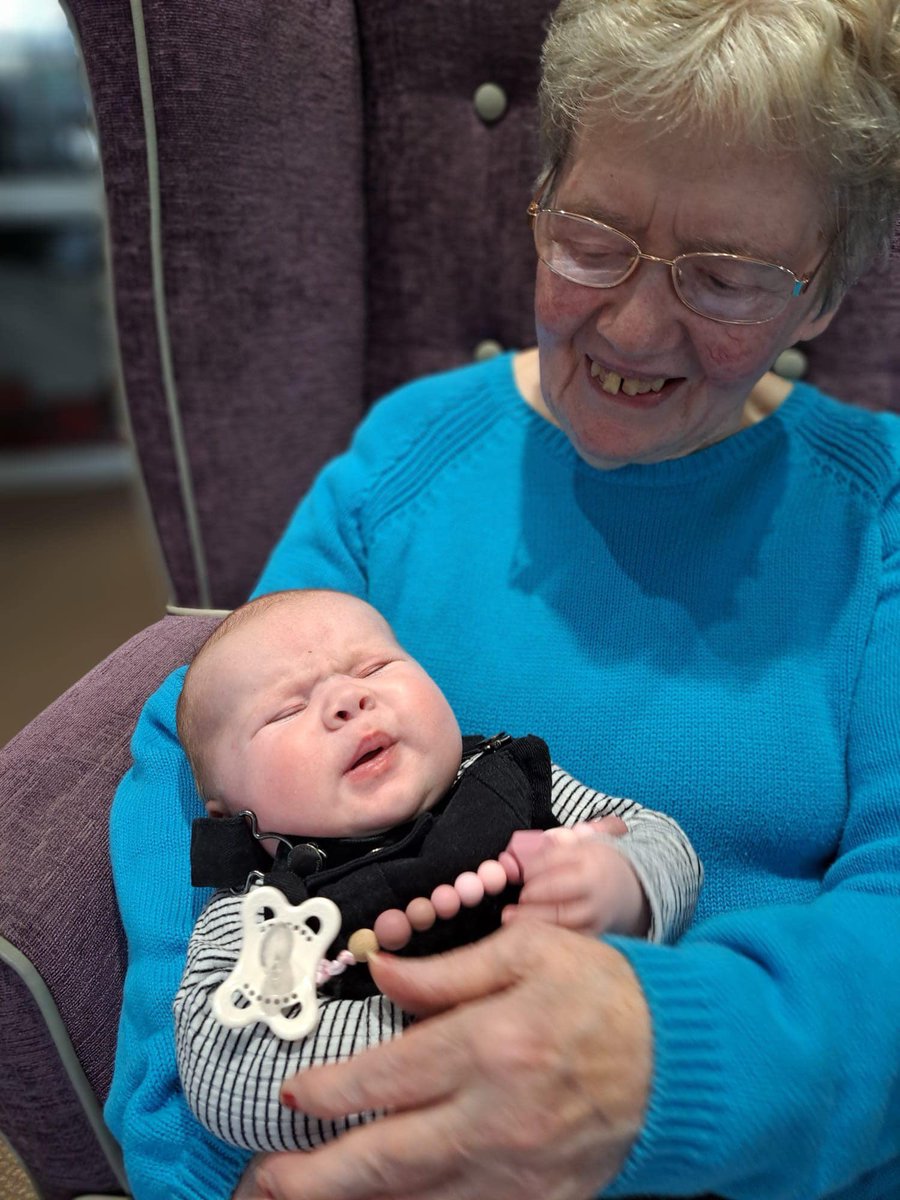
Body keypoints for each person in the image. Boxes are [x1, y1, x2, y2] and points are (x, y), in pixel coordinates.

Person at [105, 1, 900, 1197]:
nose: (632, 327)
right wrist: (200, 1157)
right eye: (590, 241)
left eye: (728, 278)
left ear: (825, 297)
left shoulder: (875, 519)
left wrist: (668, 1054)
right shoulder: (407, 458)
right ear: (535, 207)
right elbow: (196, 746)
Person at [172, 587, 702, 1151]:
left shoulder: (509, 782)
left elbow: (658, 836)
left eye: (374, 667)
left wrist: (628, 884)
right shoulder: (270, 913)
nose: (349, 700)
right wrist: (441, 1038)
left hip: (609, 1094)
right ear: (233, 818)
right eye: (288, 709)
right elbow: (219, 1062)